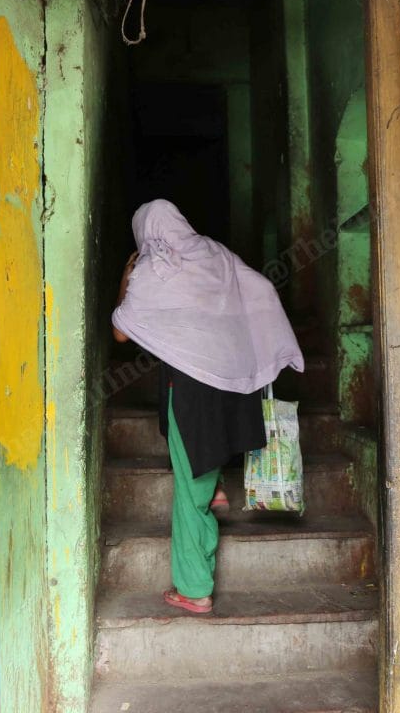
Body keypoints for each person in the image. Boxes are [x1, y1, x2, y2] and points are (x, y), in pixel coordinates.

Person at [112, 199, 304, 614]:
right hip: (230, 385)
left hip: (190, 392)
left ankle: (194, 588)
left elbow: (122, 333)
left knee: (187, 491)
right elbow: (261, 288)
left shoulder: (154, 267)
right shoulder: (214, 255)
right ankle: (213, 484)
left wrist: (126, 278)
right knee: (200, 464)